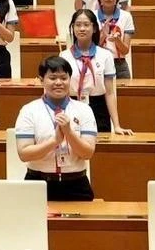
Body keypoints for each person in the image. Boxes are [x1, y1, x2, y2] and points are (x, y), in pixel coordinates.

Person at [15, 55, 96, 200]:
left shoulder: (84, 110)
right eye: (52, 78)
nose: (59, 82)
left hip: (76, 184)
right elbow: (24, 154)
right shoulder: (29, 110)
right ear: (41, 80)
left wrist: (69, 133)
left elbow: (87, 153)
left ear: (70, 79)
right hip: (38, 184)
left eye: (64, 78)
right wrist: (55, 141)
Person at [59, 9, 133, 134]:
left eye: (86, 25)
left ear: (94, 28)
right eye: (78, 25)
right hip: (72, 106)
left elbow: (109, 93)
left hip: (98, 108)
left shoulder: (105, 55)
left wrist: (117, 126)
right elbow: (62, 92)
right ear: (72, 28)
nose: (82, 28)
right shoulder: (64, 56)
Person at [95, 0, 135, 79]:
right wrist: (103, 35)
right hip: (98, 64)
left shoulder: (126, 16)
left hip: (119, 65)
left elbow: (125, 50)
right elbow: (90, 48)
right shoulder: (92, 17)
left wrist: (117, 40)